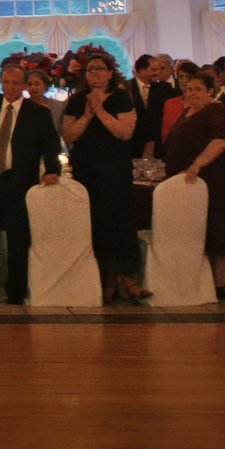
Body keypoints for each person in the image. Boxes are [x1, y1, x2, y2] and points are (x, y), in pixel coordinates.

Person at [0, 60, 60, 307]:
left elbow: (50, 144)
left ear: (24, 85)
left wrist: (52, 170)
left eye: (16, 83)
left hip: (19, 181)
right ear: (0, 83)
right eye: (6, 82)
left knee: (18, 239)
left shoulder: (38, 113)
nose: (10, 87)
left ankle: (15, 292)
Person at [60, 56, 144, 305]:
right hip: (87, 169)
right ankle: (106, 277)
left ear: (110, 73)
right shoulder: (76, 101)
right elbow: (69, 134)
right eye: (90, 69)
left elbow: (125, 132)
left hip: (115, 169)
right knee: (95, 222)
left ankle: (128, 276)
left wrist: (99, 111)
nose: (94, 73)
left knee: (120, 220)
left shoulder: (121, 98)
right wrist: (87, 115)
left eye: (100, 69)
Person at [163, 72, 225, 298]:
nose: (191, 94)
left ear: (210, 91)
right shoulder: (188, 112)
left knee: (219, 230)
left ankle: (219, 283)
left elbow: (221, 141)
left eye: (197, 89)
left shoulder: (217, 111)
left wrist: (196, 165)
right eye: (189, 89)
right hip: (192, 184)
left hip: (218, 180)